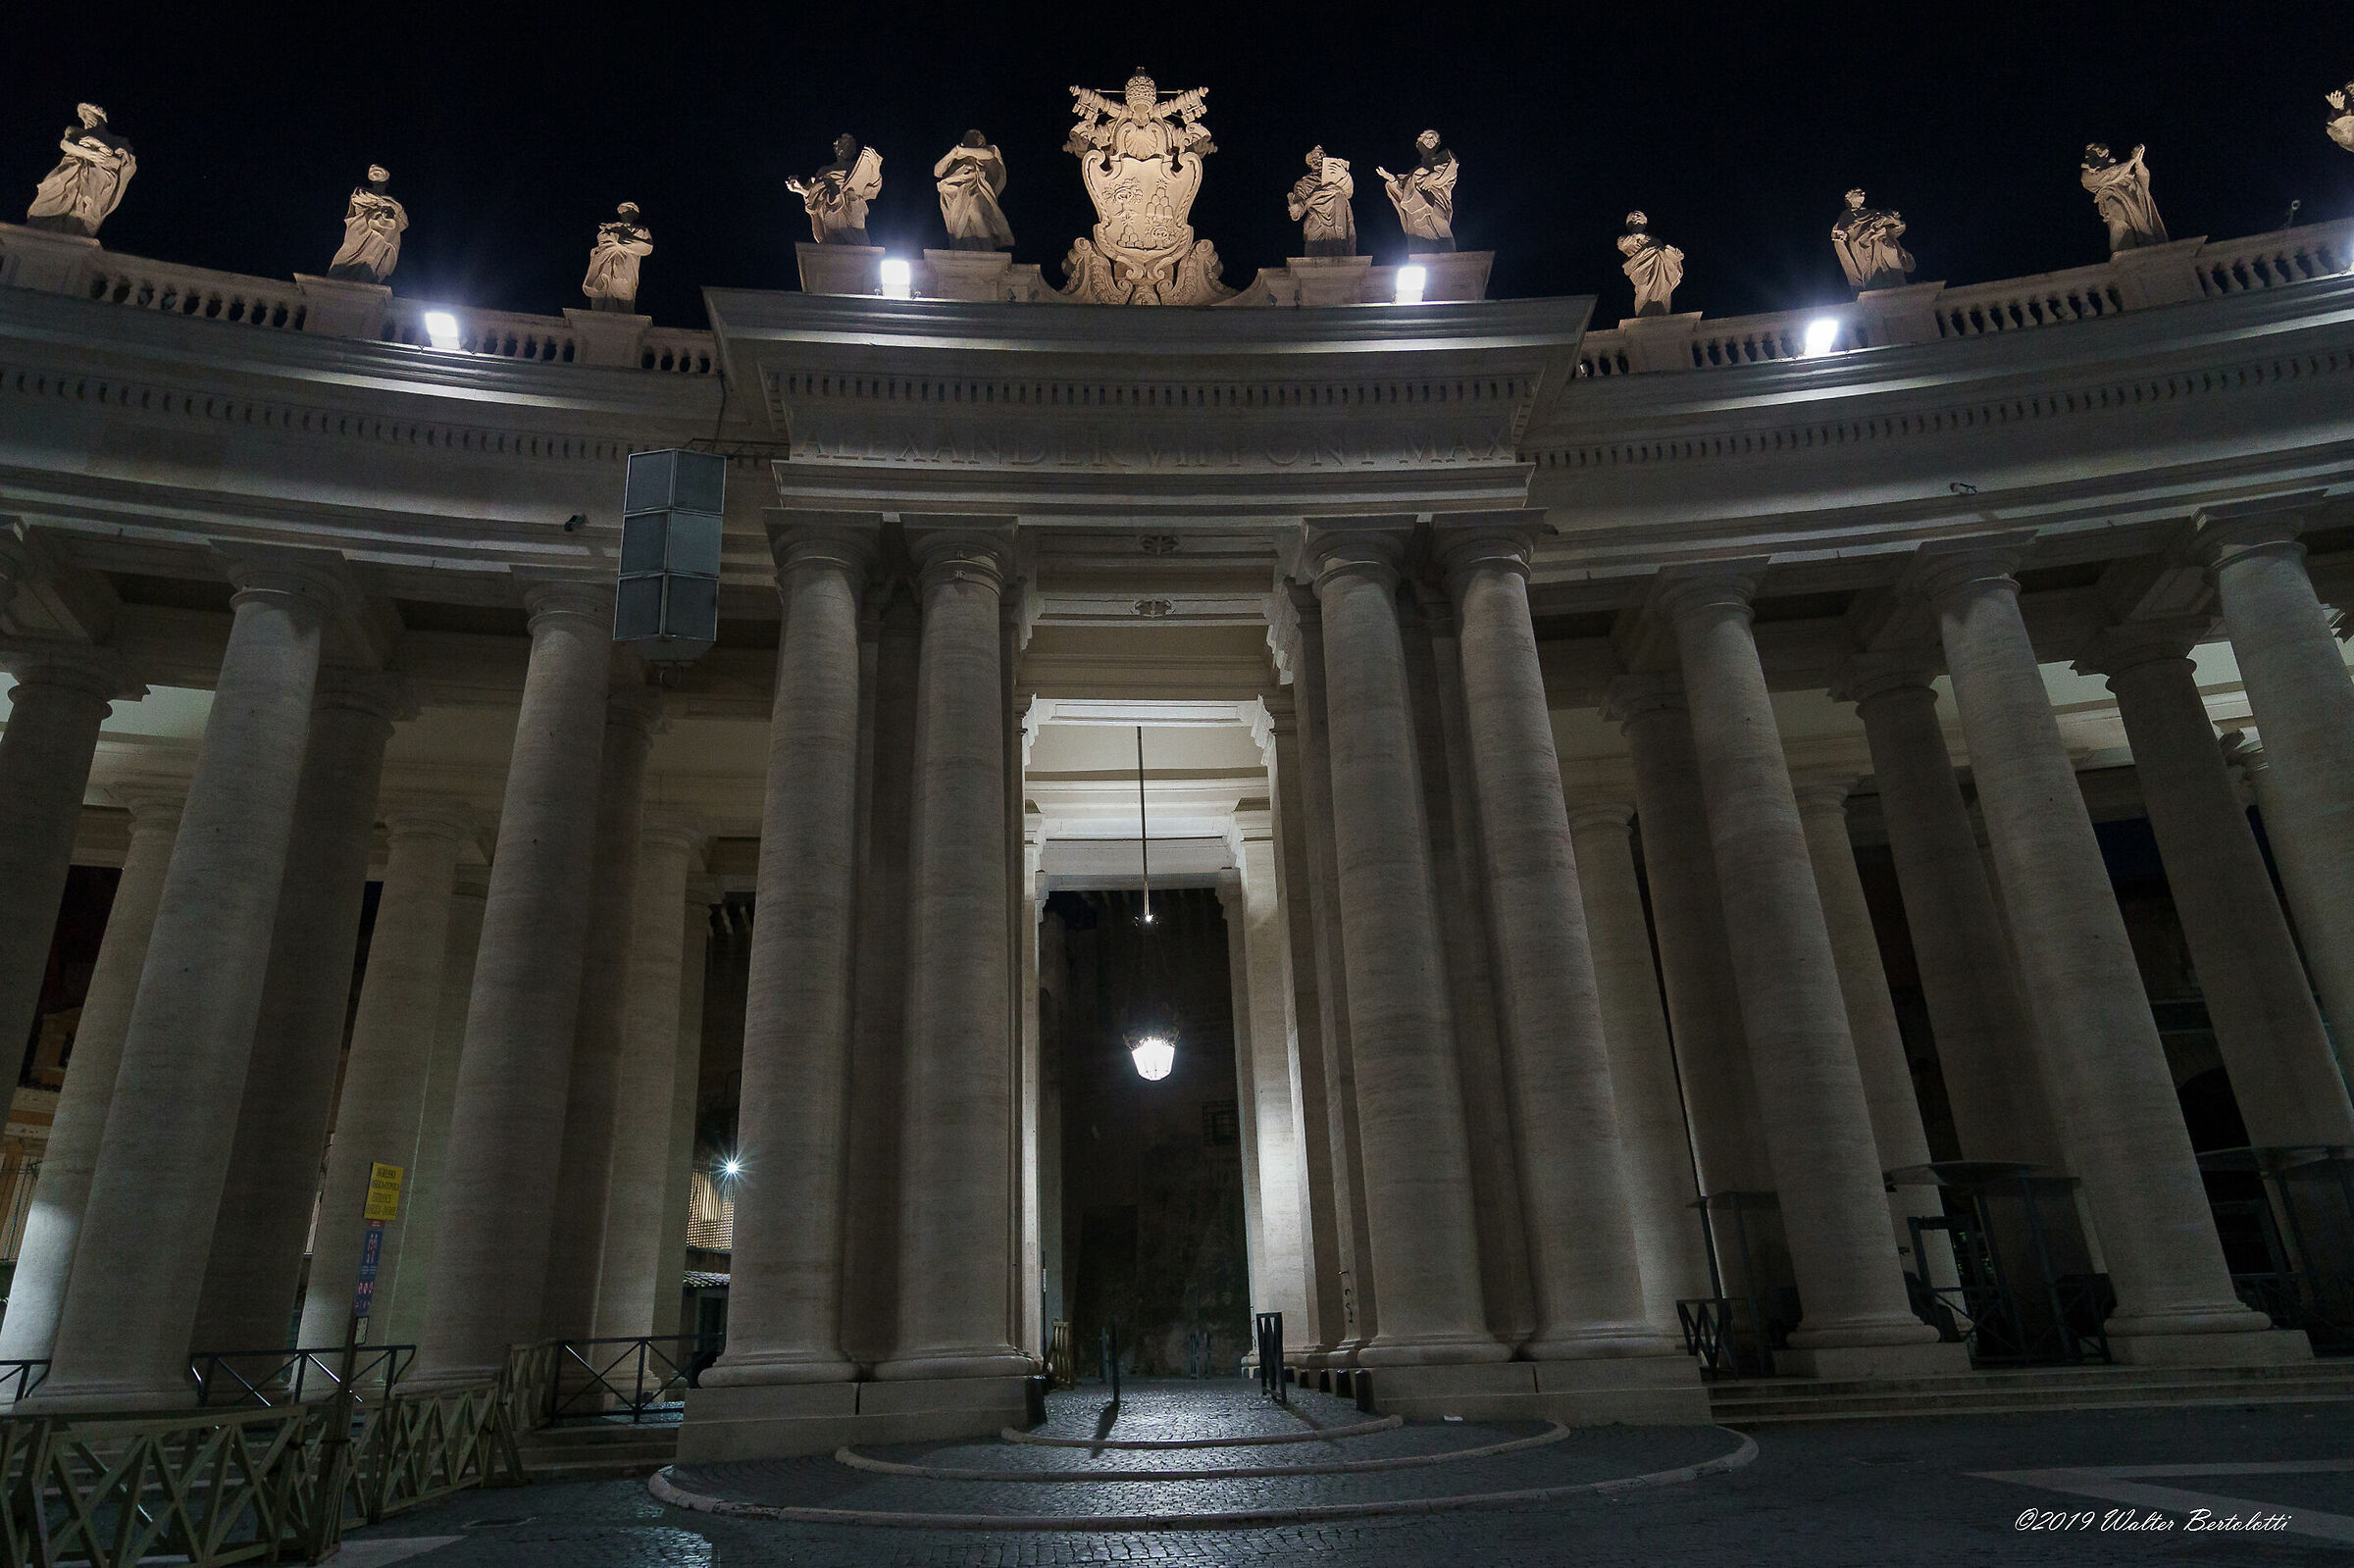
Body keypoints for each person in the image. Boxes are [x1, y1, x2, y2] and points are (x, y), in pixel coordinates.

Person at [26, 104, 136, 236]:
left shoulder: (117, 140)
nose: (86, 119)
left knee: (85, 204)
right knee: (53, 188)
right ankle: (41, 224)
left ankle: (76, 229)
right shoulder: (76, 131)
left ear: (101, 118)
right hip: (73, 166)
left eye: (89, 115)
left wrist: (104, 158)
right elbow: (65, 144)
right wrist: (87, 153)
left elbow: (125, 164)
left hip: (98, 173)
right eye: (84, 116)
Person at [789, 135, 883, 245]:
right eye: (843, 144)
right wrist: (801, 189)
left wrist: (874, 165)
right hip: (830, 211)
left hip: (852, 207)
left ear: (853, 150)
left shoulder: (856, 167)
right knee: (833, 243)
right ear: (837, 148)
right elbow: (816, 197)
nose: (846, 148)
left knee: (859, 243)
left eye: (850, 145)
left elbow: (874, 186)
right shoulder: (825, 170)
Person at [1377, 130, 1458, 252]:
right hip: (1416, 205)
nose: (1432, 140)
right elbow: (1404, 191)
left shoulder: (1445, 155)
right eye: (1429, 137)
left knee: (1439, 223)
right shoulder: (1416, 169)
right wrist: (1392, 180)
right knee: (1419, 232)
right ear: (1420, 141)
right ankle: (1423, 254)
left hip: (1435, 196)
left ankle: (1449, 258)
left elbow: (1451, 169)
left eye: (1435, 140)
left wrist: (1431, 177)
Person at [328, 167, 408, 283]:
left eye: (380, 174)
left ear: (387, 182)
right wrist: (376, 212)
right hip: (361, 228)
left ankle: (368, 273)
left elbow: (404, 222)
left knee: (388, 231)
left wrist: (388, 216)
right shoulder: (361, 192)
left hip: (381, 235)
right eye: (374, 174)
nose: (377, 177)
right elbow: (357, 208)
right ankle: (341, 272)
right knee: (350, 252)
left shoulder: (393, 203)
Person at [934, 132, 1013, 251]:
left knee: (975, 207)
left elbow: (989, 154)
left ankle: (988, 248)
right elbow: (937, 171)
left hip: (978, 189)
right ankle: (967, 251)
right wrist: (952, 154)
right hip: (956, 192)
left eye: (981, 138)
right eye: (977, 138)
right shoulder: (956, 159)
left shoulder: (986, 151)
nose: (981, 140)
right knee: (963, 226)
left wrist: (963, 151)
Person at [2080, 143, 2166, 253]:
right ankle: (2122, 253)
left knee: (2144, 227)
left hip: (2135, 196)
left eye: (2101, 151)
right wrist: (2132, 160)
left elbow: (2143, 180)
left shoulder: (2120, 167)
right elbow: (2110, 176)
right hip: (2112, 196)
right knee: (2118, 219)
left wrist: (2139, 163)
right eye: (2094, 152)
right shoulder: (2087, 175)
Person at [1830, 189, 1916, 292]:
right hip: (1863, 245)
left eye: (1862, 193)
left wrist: (1891, 219)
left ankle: (1897, 286)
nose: (1863, 194)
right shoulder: (1846, 215)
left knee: (1891, 254)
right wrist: (1843, 235)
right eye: (1858, 193)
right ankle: (1876, 290)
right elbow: (1842, 232)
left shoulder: (1872, 212)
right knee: (1872, 271)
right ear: (1849, 198)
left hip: (1880, 240)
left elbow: (1894, 227)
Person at [1287, 146, 1356, 258]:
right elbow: (1299, 204)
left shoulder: (1337, 176)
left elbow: (1349, 192)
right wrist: (1296, 207)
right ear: (1310, 163)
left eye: (1321, 156)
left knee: (1339, 252)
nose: (1318, 160)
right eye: (1315, 158)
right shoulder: (1304, 183)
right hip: (1316, 218)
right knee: (1312, 251)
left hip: (1337, 217)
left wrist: (1344, 175)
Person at [583, 203, 653, 311]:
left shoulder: (641, 230)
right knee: (602, 289)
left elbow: (647, 247)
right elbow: (602, 241)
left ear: (634, 214)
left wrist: (619, 241)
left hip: (625, 265)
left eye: (627, 211)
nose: (624, 214)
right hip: (606, 262)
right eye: (622, 212)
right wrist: (610, 236)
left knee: (623, 291)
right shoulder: (612, 227)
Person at [1617, 211, 1684, 317]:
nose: (1636, 216)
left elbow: (1664, 254)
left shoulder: (1653, 240)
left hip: (1658, 269)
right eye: (1633, 215)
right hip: (1640, 268)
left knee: (1663, 291)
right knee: (1644, 288)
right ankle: (1642, 317)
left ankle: (1661, 314)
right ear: (1629, 222)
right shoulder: (1624, 238)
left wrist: (1675, 256)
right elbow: (1623, 246)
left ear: (1644, 221)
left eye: (1639, 215)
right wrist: (1637, 236)